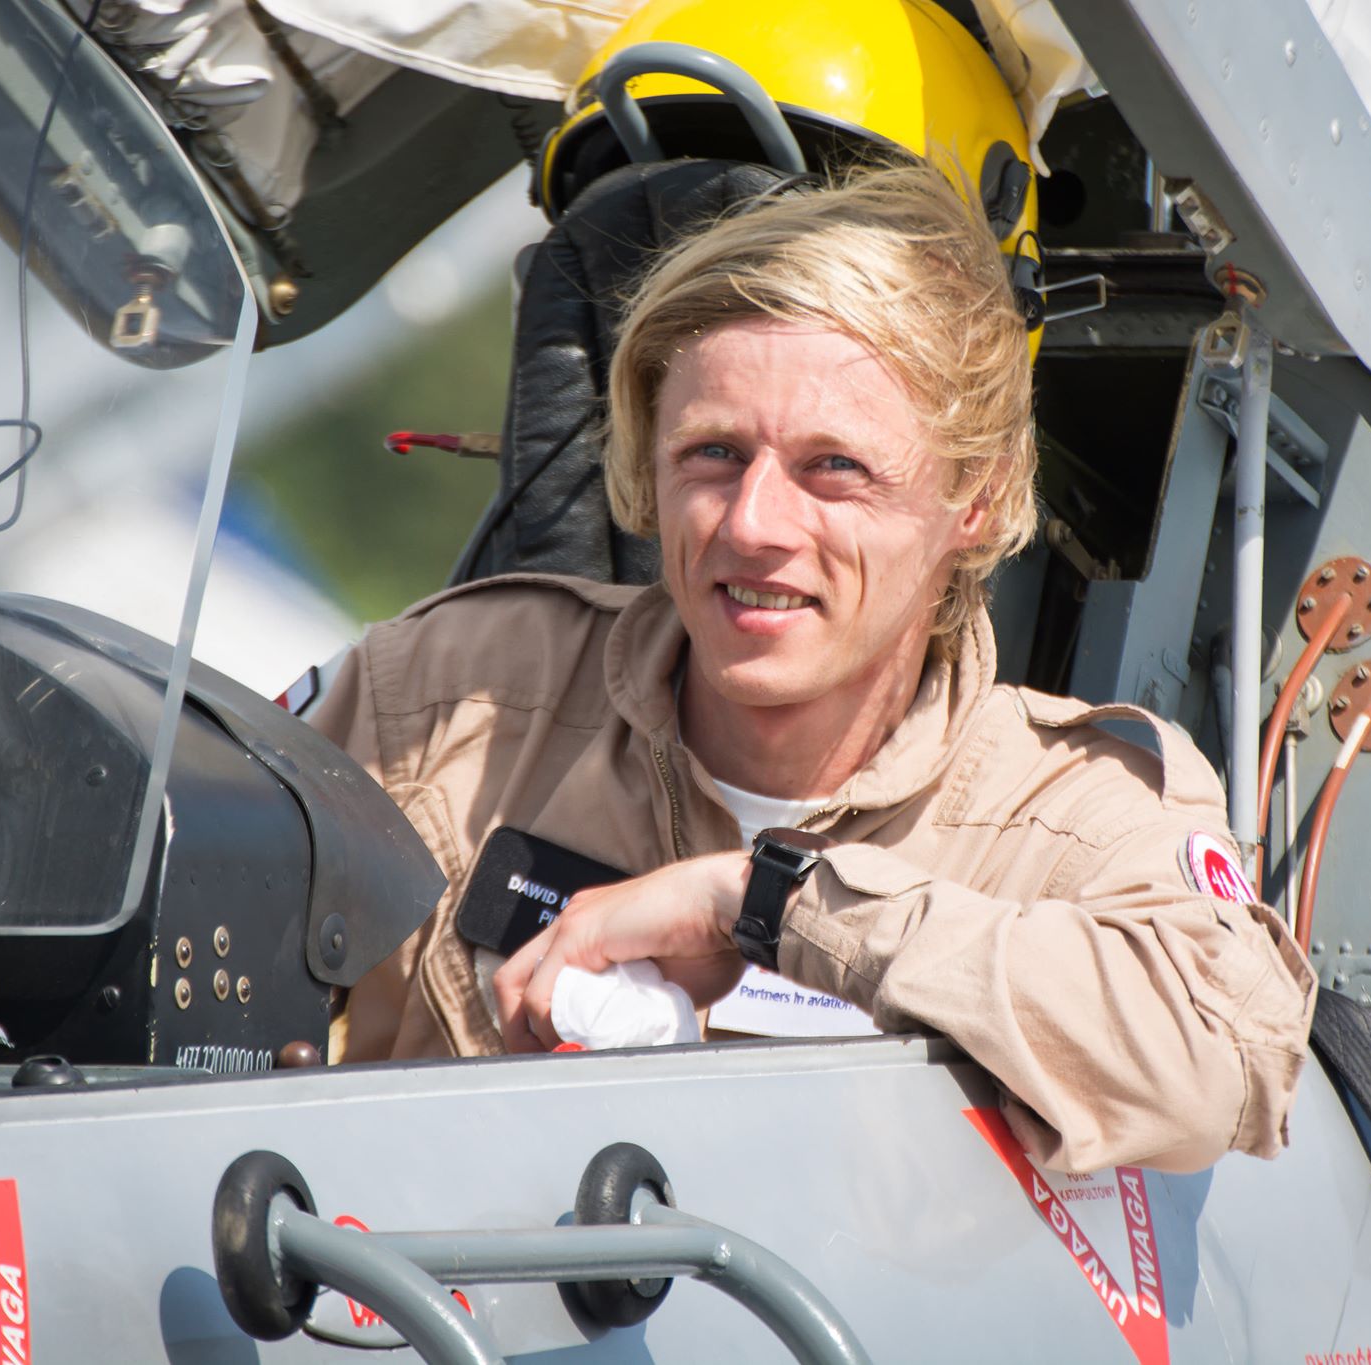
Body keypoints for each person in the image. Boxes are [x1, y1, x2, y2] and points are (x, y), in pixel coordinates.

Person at [312, 161, 1315, 1175]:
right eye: (712, 453)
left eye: (833, 467)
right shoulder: (444, 692)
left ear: (975, 496)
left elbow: (1229, 1060)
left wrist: (765, 902)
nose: (752, 523)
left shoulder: (1072, 816)